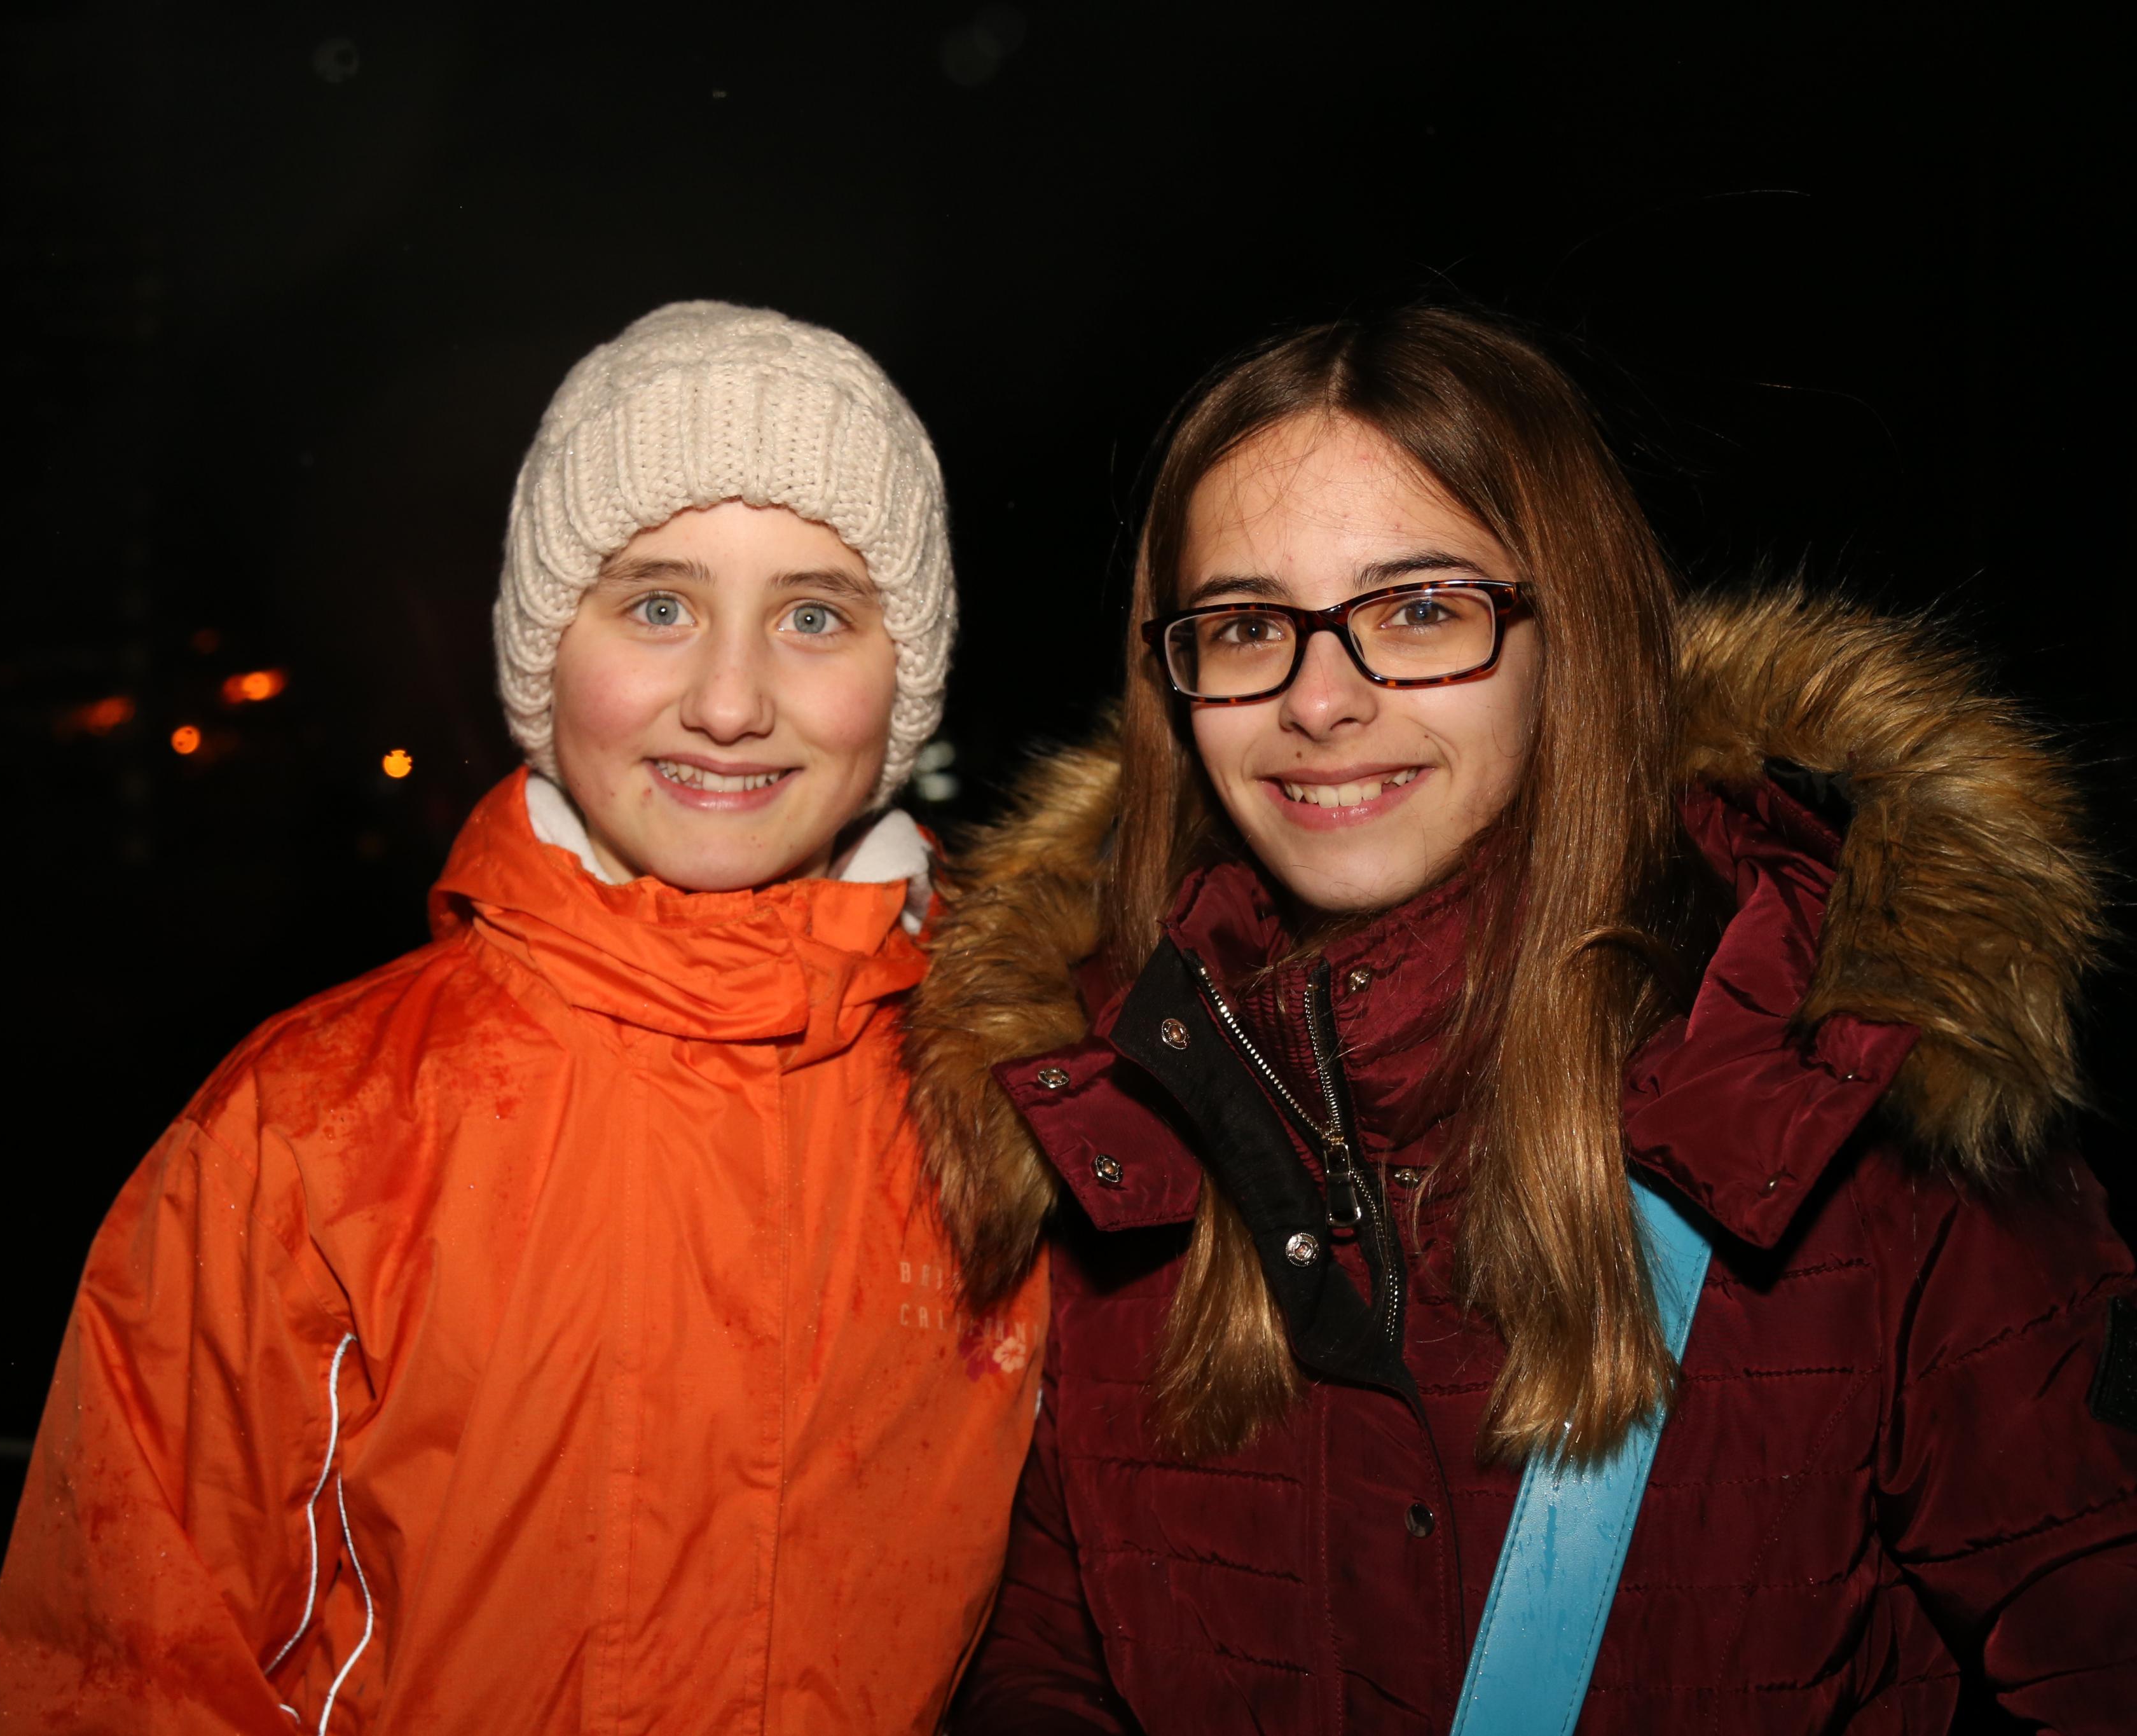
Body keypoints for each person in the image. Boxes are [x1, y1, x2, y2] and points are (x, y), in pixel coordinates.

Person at [909, 307, 2137, 1731]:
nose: (1319, 700)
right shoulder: (1107, 1110)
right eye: (1245, 627)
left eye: (1419, 610)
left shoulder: (1849, 1097)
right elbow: (1046, 1654)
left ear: (1576, 633)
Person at [0, 302, 1048, 1734]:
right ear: (547, 647)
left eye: (813, 615)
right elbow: (127, 1671)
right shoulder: (309, 1129)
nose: (728, 701)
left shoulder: (1021, 1103)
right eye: (657, 605)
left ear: (901, 675)